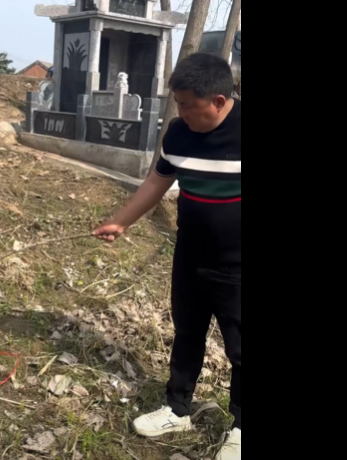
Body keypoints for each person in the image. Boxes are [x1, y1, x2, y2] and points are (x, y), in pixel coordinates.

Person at [93, 52, 241, 460]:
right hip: (190, 255)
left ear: (218, 101)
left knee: (239, 347)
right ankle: (177, 409)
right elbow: (156, 182)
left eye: (189, 105)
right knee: (187, 333)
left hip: (237, 266)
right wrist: (121, 221)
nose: (182, 113)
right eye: (178, 104)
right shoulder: (179, 133)